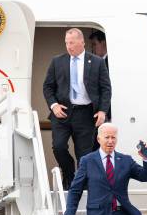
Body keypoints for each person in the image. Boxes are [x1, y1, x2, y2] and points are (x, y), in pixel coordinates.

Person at [43, 28, 111, 188]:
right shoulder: (57, 61)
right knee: (58, 147)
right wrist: (53, 105)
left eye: (72, 42)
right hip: (62, 113)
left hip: (86, 114)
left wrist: (102, 111)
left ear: (82, 42)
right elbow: (47, 87)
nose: (68, 46)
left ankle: (81, 186)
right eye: (66, 43)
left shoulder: (97, 62)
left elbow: (106, 88)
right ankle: (68, 173)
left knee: (84, 155)